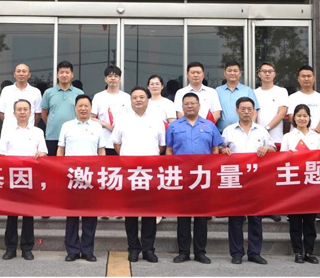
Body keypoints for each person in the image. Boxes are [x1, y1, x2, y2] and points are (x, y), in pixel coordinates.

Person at [166, 92, 223, 265]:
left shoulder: (209, 125)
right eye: (187, 104)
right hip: (182, 176)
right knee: (183, 216)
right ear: (182, 107)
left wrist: (212, 169)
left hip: (202, 177)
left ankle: (200, 252)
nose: (190, 106)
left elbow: (215, 149)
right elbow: (169, 151)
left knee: (201, 217)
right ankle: (183, 252)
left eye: (193, 103)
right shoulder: (174, 126)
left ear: (199, 106)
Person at [111, 86, 165, 264]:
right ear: (131, 101)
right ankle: (133, 248)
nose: (138, 100)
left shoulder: (157, 120)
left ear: (148, 100)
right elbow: (117, 144)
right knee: (131, 214)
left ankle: (148, 249)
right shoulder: (123, 120)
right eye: (135, 97)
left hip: (150, 173)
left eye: (142, 97)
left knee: (150, 213)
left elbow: (162, 146)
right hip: (130, 173)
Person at [220, 96, 274, 265]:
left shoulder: (261, 131)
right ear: (237, 111)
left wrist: (267, 148)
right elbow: (220, 148)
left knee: (255, 218)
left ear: (253, 111)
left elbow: (273, 149)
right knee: (235, 218)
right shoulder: (228, 130)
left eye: (249, 109)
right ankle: (236, 253)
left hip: (256, 181)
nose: (246, 112)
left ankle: (254, 252)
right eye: (242, 109)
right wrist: (223, 150)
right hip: (235, 180)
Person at [58, 95, 106, 262]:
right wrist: (60, 169)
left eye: (86, 105)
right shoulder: (67, 126)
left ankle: (87, 250)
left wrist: (101, 172)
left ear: (91, 108)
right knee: (71, 215)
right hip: (71, 176)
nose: (83, 108)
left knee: (90, 216)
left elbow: (101, 151)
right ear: (75, 108)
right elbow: (60, 150)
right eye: (80, 105)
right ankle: (72, 250)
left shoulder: (97, 127)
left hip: (91, 176)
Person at [0, 99, 47, 261]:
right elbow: (1, 155)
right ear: (14, 113)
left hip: (30, 178)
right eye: (19, 109)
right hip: (12, 178)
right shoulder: (7, 131)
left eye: (25, 109)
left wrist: (41, 154)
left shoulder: (38, 132)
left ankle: (27, 248)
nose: (22, 112)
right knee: (11, 215)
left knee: (28, 215)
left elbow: (43, 152)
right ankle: (10, 248)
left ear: (30, 112)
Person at [280, 104, 320, 264]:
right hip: (294, 184)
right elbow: (281, 160)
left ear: (309, 118)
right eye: (299, 116)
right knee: (295, 221)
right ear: (294, 118)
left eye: (305, 116)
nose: (302, 118)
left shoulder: (316, 136)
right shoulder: (288, 137)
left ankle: (309, 252)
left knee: (310, 221)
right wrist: (289, 156)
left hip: (311, 184)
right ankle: (298, 251)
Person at [41, 61, 84, 157]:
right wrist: (52, 125)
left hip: (73, 135)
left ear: (72, 74)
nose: (64, 75)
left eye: (67, 72)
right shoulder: (48, 93)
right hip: (53, 136)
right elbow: (43, 114)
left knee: (71, 163)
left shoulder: (79, 93)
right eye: (61, 72)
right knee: (52, 164)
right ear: (57, 74)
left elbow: (82, 113)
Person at [91, 65, 131, 156]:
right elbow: (91, 118)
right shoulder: (98, 97)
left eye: (116, 76)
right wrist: (106, 125)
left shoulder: (126, 97)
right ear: (105, 79)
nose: (113, 78)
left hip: (122, 141)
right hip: (104, 141)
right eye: (110, 76)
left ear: (120, 79)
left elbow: (131, 117)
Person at [215, 61, 259, 131]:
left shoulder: (247, 90)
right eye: (229, 71)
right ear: (225, 73)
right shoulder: (217, 91)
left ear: (240, 74)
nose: (232, 73)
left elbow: (254, 111)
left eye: (235, 71)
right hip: (221, 132)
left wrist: (250, 129)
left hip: (243, 131)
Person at [287, 65, 320, 133]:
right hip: (297, 136)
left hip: (317, 135)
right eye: (303, 76)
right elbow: (291, 117)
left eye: (309, 76)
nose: (306, 79)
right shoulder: (292, 98)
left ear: (314, 78)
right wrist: (304, 132)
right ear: (298, 79)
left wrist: (315, 131)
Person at [0, 63, 43, 128]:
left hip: (29, 130)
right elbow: (1, 113)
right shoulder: (6, 90)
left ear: (29, 75)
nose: (21, 74)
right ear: (14, 74)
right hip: (9, 130)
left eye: (24, 71)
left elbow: (38, 114)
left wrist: (27, 126)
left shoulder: (35, 92)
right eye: (18, 71)